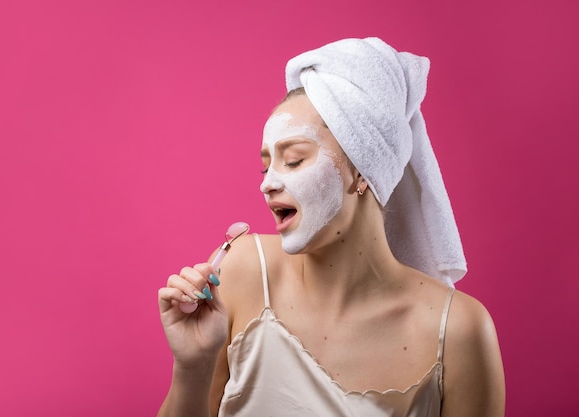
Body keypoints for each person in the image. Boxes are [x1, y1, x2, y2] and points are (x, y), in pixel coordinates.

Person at [157, 37, 505, 417]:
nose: (267, 183)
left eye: (293, 161)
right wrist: (191, 368)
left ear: (361, 170)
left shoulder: (459, 331)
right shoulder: (240, 271)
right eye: (265, 165)